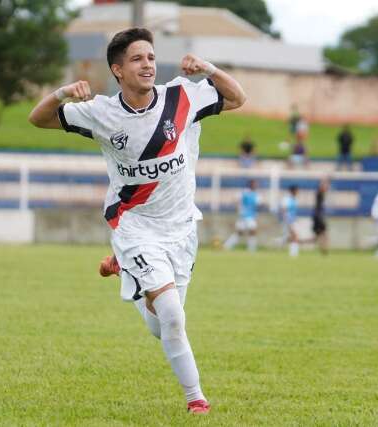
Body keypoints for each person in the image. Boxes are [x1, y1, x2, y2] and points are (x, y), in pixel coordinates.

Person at [28, 27, 246, 414]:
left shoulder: (181, 95)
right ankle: (196, 399)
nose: (147, 65)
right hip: (135, 226)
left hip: (180, 228)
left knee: (163, 324)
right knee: (174, 317)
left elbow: (236, 97)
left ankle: (125, 272)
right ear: (117, 70)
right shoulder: (102, 112)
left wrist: (207, 68)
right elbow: (37, 118)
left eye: (150, 57)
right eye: (136, 59)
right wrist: (62, 93)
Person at [224, 179, 260, 251]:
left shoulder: (256, 194)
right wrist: (239, 208)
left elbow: (257, 205)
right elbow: (235, 200)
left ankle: (227, 246)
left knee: (240, 232)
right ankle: (251, 249)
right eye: (255, 184)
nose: (256, 185)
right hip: (246, 215)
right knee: (252, 231)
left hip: (249, 216)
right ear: (251, 184)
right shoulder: (245, 192)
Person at [311, 178, 329, 254]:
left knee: (320, 234)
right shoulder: (319, 193)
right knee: (322, 233)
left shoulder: (319, 194)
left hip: (317, 216)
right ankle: (323, 249)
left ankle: (323, 249)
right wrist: (324, 181)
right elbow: (323, 188)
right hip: (318, 216)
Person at [281, 185, 300, 257]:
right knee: (294, 235)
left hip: (293, 220)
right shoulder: (287, 199)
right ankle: (293, 254)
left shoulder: (295, 200)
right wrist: (286, 219)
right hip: (288, 220)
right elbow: (284, 210)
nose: (297, 192)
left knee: (293, 236)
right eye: (296, 190)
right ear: (292, 191)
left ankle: (294, 253)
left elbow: (294, 211)